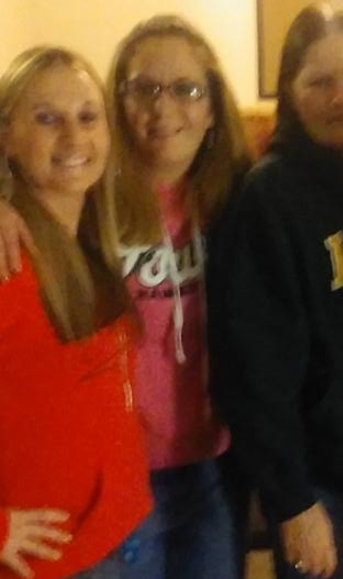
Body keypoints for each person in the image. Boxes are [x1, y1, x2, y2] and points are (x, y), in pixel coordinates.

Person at [0, 14, 251, 579]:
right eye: (145, 88)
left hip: (193, 470)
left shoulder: (235, 198)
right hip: (81, 520)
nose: (165, 108)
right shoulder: (43, 227)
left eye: (186, 88)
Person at [208, 2, 343, 578]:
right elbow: (253, 364)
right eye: (319, 82)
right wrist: (291, 499)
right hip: (320, 481)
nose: (341, 96)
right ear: (291, 93)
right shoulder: (269, 196)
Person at [0, 46, 151, 579]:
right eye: (47, 119)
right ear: (6, 137)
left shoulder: (89, 241)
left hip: (120, 533)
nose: (73, 137)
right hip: (47, 562)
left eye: (88, 117)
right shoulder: (6, 259)